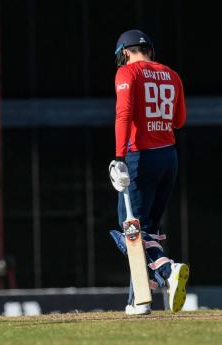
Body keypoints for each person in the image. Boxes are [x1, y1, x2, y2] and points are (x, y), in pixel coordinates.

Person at [108, 29, 189, 315]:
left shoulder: (127, 73)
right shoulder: (172, 74)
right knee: (147, 230)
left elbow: (123, 115)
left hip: (139, 157)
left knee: (129, 229)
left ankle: (167, 270)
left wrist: (119, 157)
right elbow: (179, 120)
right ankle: (139, 300)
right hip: (169, 157)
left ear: (124, 53)